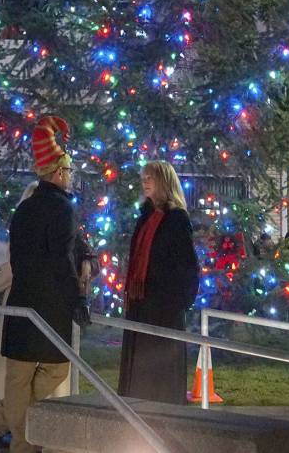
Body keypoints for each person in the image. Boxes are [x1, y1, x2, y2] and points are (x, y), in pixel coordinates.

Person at [0, 177, 99, 453]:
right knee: (19, 378)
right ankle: (23, 443)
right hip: (25, 311)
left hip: (52, 312)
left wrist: (87, 263)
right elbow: (0, 279)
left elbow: (80, 252)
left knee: (48, 373)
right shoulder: (23, 233)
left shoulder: (63, 223)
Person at [0, 117, 91, 453]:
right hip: (49, 305)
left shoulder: (24, 208)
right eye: (68, 171)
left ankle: (3, 420)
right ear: (58, 172)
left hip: (22, 300)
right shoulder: (63, 209)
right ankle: (15, 434)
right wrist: (77, 298)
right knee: (56, 367)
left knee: (18, 378)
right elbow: (61, 259)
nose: (70, 177)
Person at [117, 161, 199, 405]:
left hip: (163, 306)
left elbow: (187, 265)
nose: (145, 182)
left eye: (150, 177)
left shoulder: (176, 219)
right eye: (143, 178)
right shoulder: (145, 217)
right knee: (139, 369)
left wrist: (180, 300)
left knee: (159, 371)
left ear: (164, 181)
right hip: (140, 304)